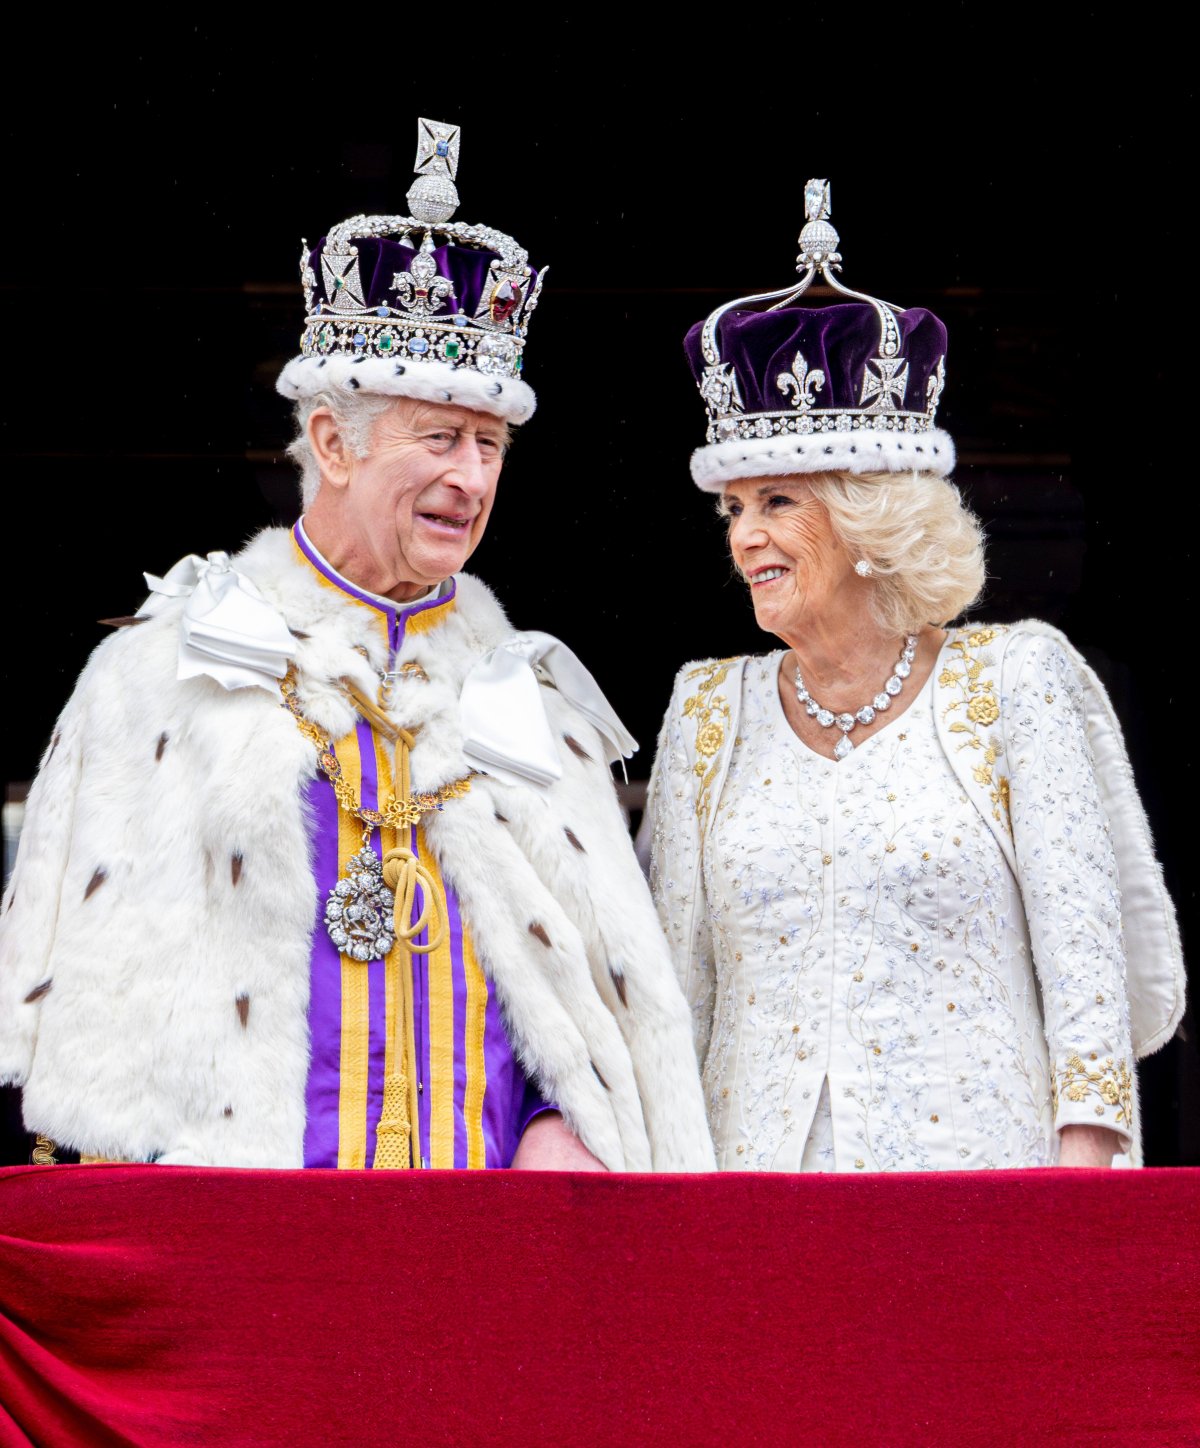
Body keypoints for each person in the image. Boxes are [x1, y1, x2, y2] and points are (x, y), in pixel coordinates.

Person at [0, 119, 714, 1174]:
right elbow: (85, 1015)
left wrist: (568, 1126)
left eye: (489, 444)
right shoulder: (162, 671)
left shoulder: (529, 698)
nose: (470, 478)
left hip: (488, 1239)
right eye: (438, 437)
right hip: (247, 1239)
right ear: (332, 442)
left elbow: (590, 998)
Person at [645, 179, 1184, 1173]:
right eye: (734, 511)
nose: (746, 535)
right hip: (754, 1221)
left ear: (865, 521)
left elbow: (1090, 982)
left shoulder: (1013, 682)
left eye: (777, 502)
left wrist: (1080, 1199)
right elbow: (673, 997)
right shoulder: (706, 711)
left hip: (983, 1213)